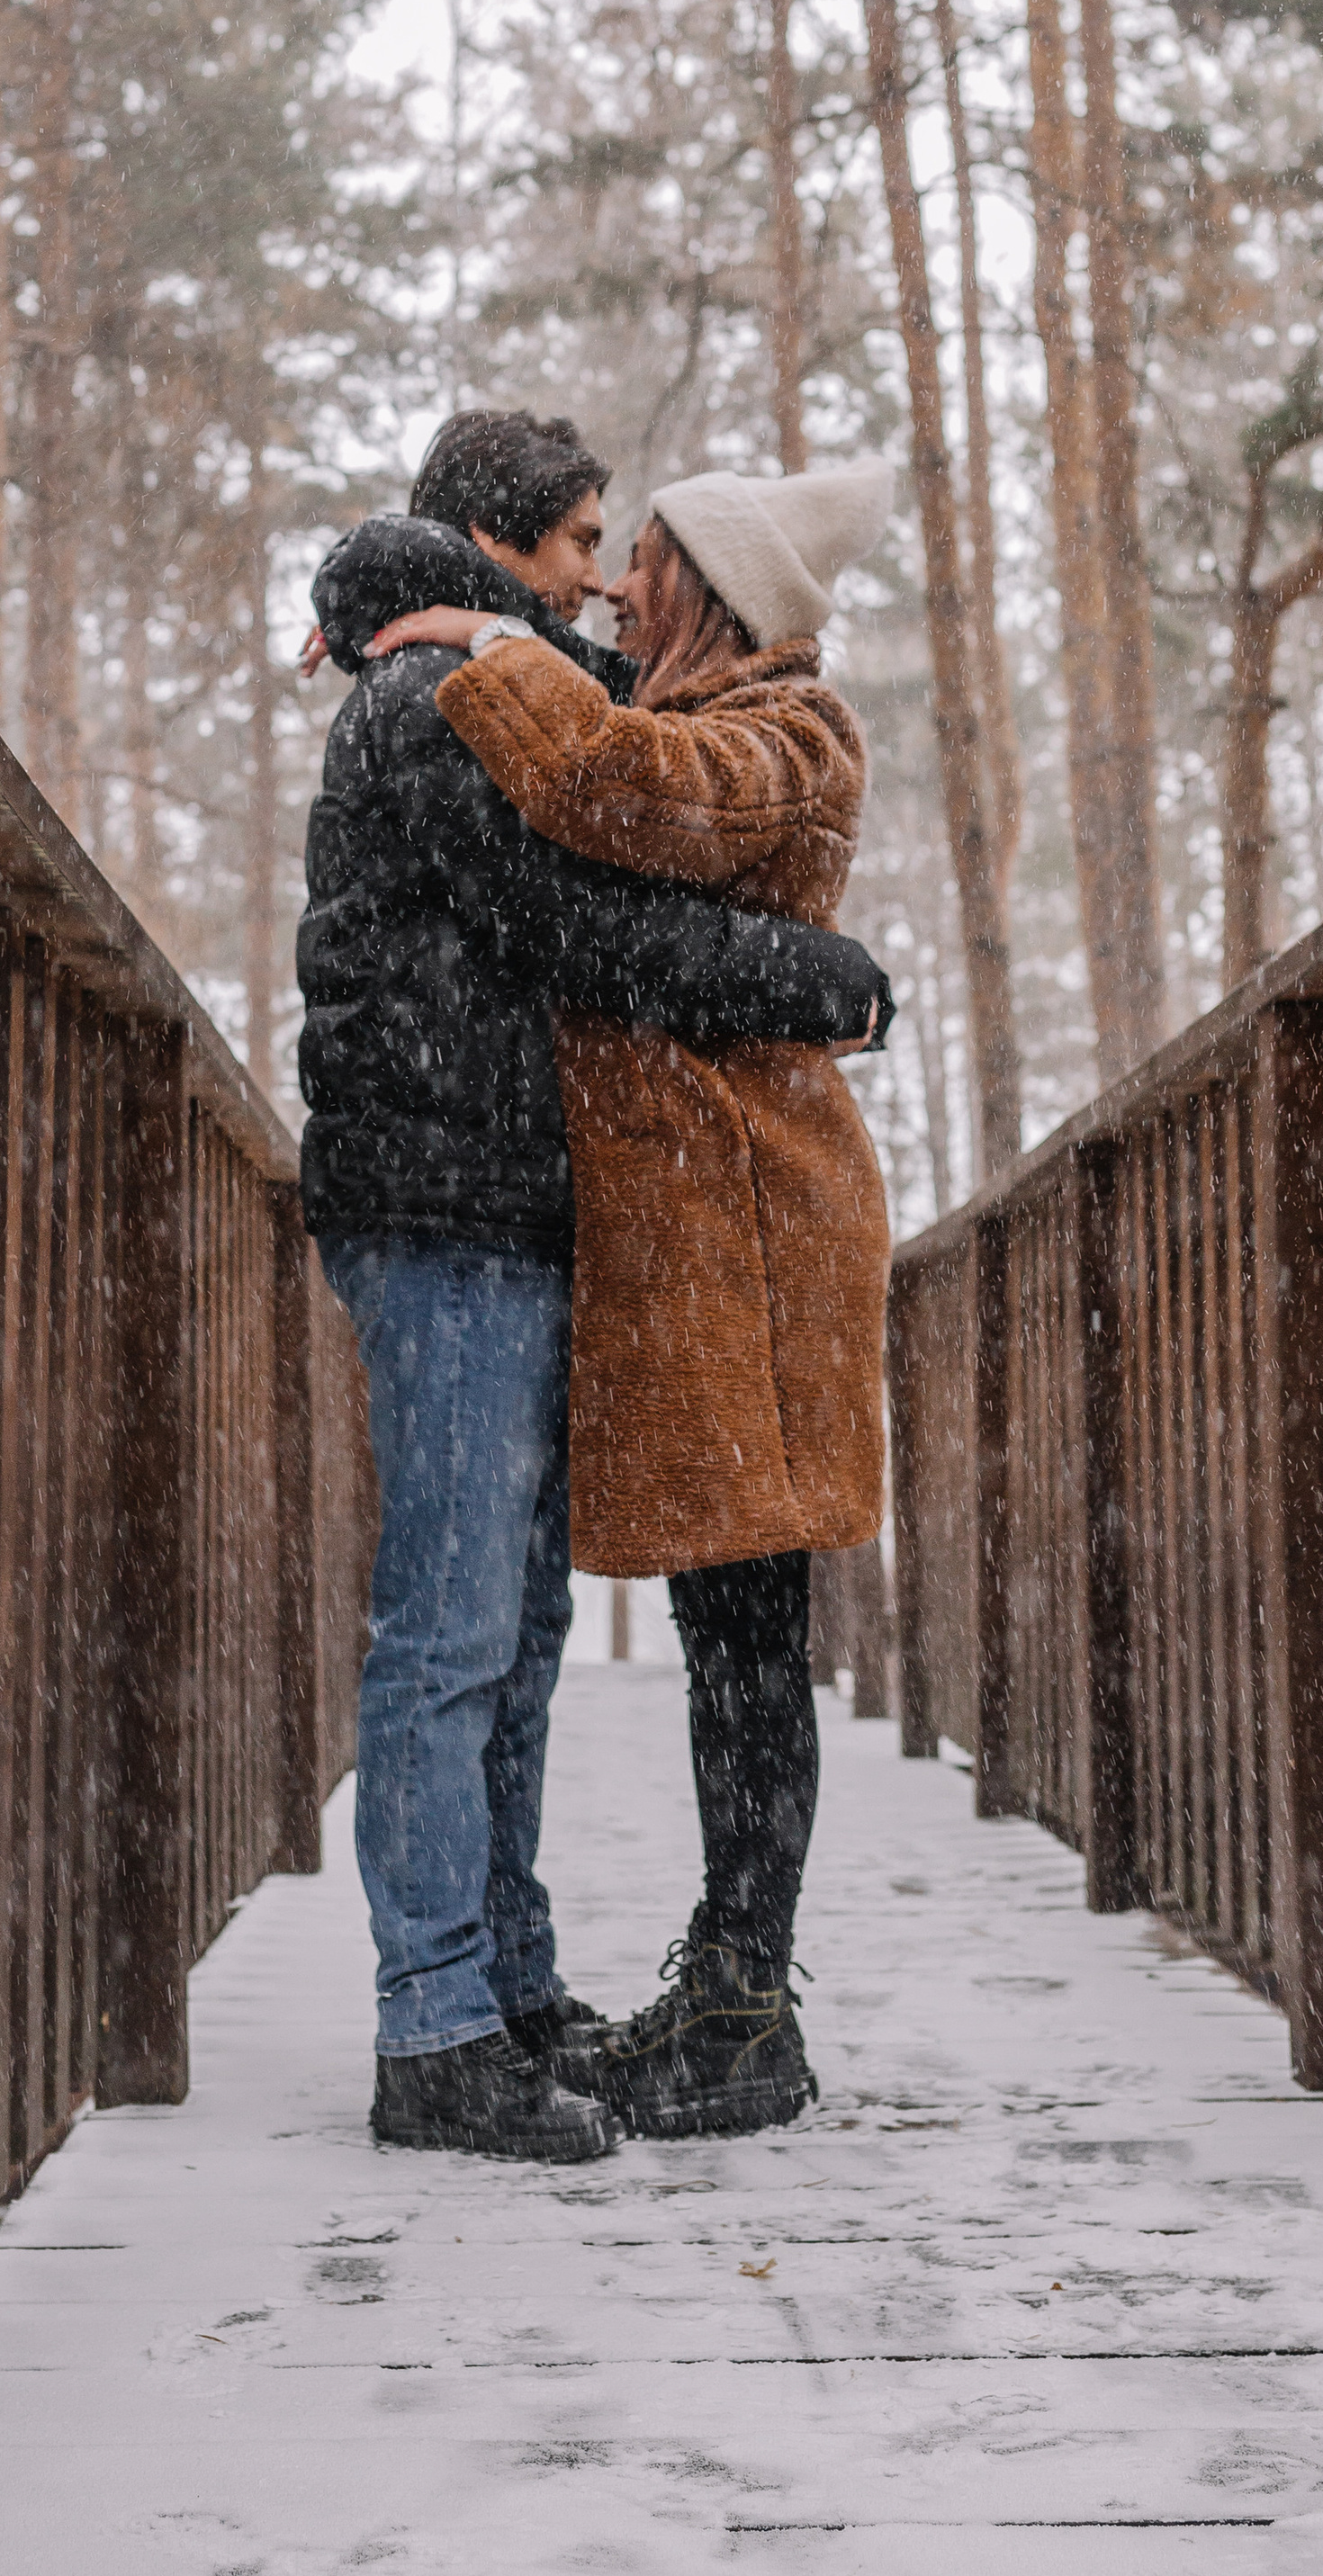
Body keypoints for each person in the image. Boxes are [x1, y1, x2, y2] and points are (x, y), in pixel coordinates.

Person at [299, 413, 894, 2168]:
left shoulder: (734, 716)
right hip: (478, 1210)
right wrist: (814, 977)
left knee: (627, 1625)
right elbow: (574, 902)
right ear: (499, 544)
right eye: (578, 545)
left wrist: (487, 634)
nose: (604, 582)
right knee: (476, 1629)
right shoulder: (445, 700)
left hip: (680, 1220)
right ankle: (455, 2018)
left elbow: (629, 790)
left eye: (632, 558)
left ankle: (633, 1995)